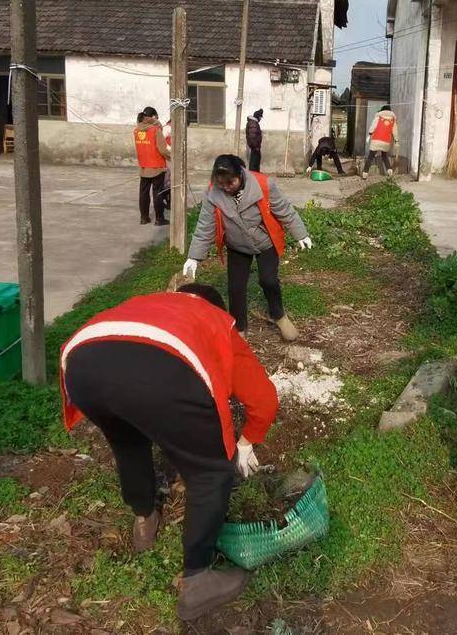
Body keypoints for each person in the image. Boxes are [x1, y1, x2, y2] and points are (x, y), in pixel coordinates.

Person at [61, 284, 278, 620]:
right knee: (210, 471)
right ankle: (198, 580)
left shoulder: (145, 300)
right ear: (218, 309)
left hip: (81, 363)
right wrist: (246, 441)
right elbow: (263, 399)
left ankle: (144, 519)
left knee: (128, 441)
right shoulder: (215, 320)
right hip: (160, 371)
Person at [184, 154, 312, 341]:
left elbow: (285, 210)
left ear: (241, 175)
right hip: (237, 245)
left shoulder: (263, 185)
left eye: (230, 183)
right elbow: (205, 226)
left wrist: (301, 234)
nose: (226, 187)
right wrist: (194, 257)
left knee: (268, 281)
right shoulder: (213, 193)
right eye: (222, 184)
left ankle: (279, 315)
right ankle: (240, 328)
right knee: (236, 288)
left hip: (265, 242)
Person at [134, 107, 170, 226]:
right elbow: (162, 149)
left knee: (143, 193)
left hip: (144, 166)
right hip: (157, 166)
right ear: (154, 117)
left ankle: (144, 218)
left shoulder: (137, 130)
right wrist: (171, 157)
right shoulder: (155, 130)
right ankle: (159, 219)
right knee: (157, 193)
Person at [363, 104, 397, 179]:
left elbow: (373, 126)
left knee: (370, 157)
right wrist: (396, 140)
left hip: (376, 140)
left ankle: (365, 173)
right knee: (384, 156)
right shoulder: (393, 119)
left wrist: (370, 133)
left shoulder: (378, 117)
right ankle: (389, 170)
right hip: (386, 141)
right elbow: (395, 131)